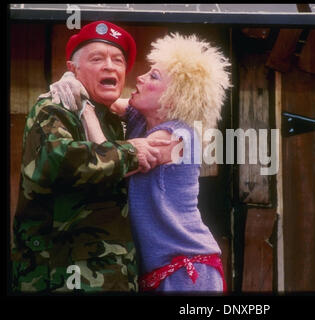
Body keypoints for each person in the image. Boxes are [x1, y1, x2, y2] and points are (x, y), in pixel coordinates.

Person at [11, 21, 171, 292]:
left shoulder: (115, 120)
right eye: (97, 59)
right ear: (72, 69)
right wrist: (132, 151)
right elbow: (58, 161)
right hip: (59, 277)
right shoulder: (55, 108)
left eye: (118, 60)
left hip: (115, 276)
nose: (110, 66)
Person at [82, 33, 231, 293]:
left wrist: (84, 110)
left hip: (187, 270)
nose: (139, 77)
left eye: (153, 76)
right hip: (158, 271)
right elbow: (104, 98)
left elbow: (109, 158)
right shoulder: (141, 118)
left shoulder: (177, 137)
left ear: (173, 98)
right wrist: (73, 81)